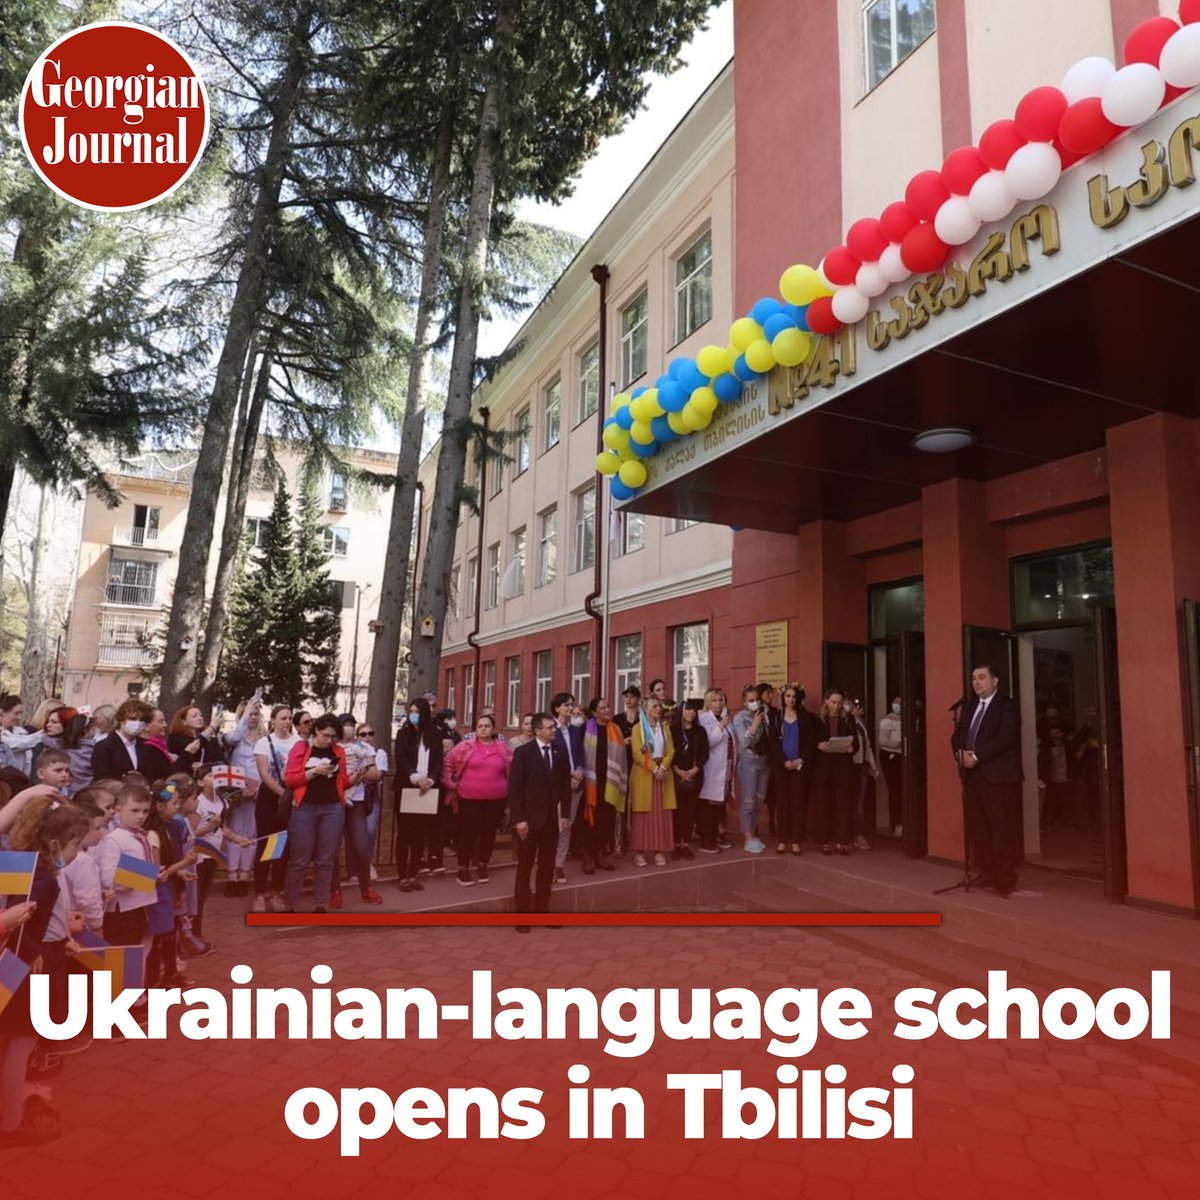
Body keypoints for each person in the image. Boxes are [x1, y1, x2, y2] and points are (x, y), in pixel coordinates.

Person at [0, 794, 89, 1146]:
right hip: (31, 965)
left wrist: (60, 938)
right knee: (22, 1041)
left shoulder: (22, 864)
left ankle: (11, 1105)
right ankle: (11, 1123)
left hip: (22, 960)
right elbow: (22, 921)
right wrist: (35, 951)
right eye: (76, 844)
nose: (78, 851)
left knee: (12, 1040)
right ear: (54, 844)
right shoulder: (44, 878)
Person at [953, 664, 1023, 896]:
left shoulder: (1007, 705)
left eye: (982, 677)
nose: (976, 682)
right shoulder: (970, 706)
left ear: (995, 681)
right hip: (972, 776)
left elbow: (1006, 738)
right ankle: (986, 872)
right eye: (974, 678)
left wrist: (977, 756)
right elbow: (957, 735)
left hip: (998, 776)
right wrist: (959, 753)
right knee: (978, 827)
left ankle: (1005, 879)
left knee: (1000, 827)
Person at [507, 713, 572, 930]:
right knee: (525, 866)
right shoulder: (523, 753)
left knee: (546, 866)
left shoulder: (560, 751)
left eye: (554, 726)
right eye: (550, 727)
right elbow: (515, 789)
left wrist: (565, 815)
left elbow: (565, 786)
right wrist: (519, 819)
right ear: (537, 730)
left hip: (551, 820)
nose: (554, 730)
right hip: (528, 820)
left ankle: (542, 909)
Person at [282, 714, 350, 914]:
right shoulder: (301, 748)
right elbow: (290, 780)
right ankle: (291, 904)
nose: (328, 740)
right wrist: (314, 772)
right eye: (325, 735)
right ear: (316, 731)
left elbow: (342, 781)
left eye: (333, 736)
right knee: (299, 859)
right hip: (305, 807)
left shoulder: (338, 751)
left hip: (332, 808)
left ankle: (320, 903)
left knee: (326, 859)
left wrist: (356, 777)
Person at [443, 713, 513, 886]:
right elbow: (448, 762)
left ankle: (482, 865)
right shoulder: (466, 746)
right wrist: (450, 782)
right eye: (480, 726)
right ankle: (463, 868)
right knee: (468, 833)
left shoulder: (503, 748)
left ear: (493, 729)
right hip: (469, 798)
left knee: (489, 833)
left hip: (497, 799)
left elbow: (513, 768)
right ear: (475, 729)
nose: (483, 729)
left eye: (487, 726)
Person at [95, 782, 158, 945]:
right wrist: (143, 875)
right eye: (135, 810)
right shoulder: (114, 839)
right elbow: (108, 878)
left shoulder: (141, 835)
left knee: (139, 946)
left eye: (145, 811)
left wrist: (154, 874)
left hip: (140, 903)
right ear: (119, 810)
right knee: (123, 949)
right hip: (122, 908)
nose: (141, 816)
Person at [331, 717, 383, 908]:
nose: (349, 729)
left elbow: (374, 775)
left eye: (352, 725)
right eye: (345, 725)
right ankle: (335, 890)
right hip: (335, 802)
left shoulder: (365, 748)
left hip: (357, 802)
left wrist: (360, 771)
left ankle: (366, 888)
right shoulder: (332, 747)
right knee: (333, 848)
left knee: (361, 846)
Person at [394, 699, 444, 894]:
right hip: (407, 788)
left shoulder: (435, 734)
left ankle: (413, 873)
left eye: (417, 711)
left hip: (427, 789)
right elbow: (401, 759)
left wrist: (431, 779)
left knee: (419, 834)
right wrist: (414, 777)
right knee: (405, 833)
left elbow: (438, 761)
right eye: (411, 711)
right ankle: (402, 876)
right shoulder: (403, 733)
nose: (413, 715)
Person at [253, 705, 299, 913]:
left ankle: (276, 890)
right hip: (270, 799)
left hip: (290, 798)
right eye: (282, 718)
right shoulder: (264, 743)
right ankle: (259, 893)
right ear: (272, 720)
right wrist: (283, 795)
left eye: (289, 718)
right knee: (265, 845)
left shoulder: (298, 742)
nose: (287, 722)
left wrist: (290, 797)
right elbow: (264, 774)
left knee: (281, 847)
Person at [768, 684, 814, 856]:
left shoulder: (805, 717)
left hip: (799, 766)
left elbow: (810, 742)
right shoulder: (776, 717)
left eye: (794, 696)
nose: (791, 699)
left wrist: (801, 760)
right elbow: (773, 742)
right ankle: (782, 840)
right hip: (781, 767)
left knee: (797, 803)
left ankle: (796, 841)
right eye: (788, 696)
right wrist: (784, 761)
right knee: (782, 803)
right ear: (783, 697)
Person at [629, 698, 676, 867]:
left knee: (661, 814)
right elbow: (637, 754)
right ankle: (639, 852)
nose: (658, 709)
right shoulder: (638, 729)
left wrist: (663, 767)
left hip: (663, 775)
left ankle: (659, 850)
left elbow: (671, 750)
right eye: (654, 706)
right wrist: (654, 769)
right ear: (646, 709)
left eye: (659, 706)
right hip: (645, 774)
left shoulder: (665, 727)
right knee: (643, 815)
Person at [813, 689, 860, 856]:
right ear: (826, 701)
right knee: (823, 806)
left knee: (843, 806)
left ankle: (841, 842)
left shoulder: (848, 719)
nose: (836, 706)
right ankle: (824, 842)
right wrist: (818, 745)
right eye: (833, 702)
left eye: (839, 703)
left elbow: (856, 743)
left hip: (842, 768)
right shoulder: (817, 720)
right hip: (823, 769)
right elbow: (809, 742)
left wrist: (851, 748)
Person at [90, 698, 173, 781]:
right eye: (133, 719)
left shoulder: (145, 747)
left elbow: (150, 776)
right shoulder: (103, 747)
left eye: (142, 720)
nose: (138, 723)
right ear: (121, 719)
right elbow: (101, 779)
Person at [732, 684, 770, 853]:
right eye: (751, 700)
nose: (755, 702)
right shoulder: (740, 718)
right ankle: (747, 837)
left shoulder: (764, 714)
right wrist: (754, 725)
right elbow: (744, 741)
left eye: (757, 699)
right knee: (749, 801)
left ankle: (753, 834)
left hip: (764, 762)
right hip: (748, 762)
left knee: (759, 801)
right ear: (744, 703)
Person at [551, 691, 584, 885]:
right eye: (566, 705)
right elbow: (551, 759)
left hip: (576, 784)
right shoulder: (550, 730)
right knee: (555, 825)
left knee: (567, 825)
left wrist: (579, 770)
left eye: (572, 704)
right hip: (558, 786)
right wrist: (568, 777)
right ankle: (548, 862)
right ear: (557, 708)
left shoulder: (574, 730)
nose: (570, 708)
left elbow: (580, 753)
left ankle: (559, 864)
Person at [696, 688, 734, 853]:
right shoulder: (704, 719)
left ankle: (716, 835)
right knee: (709, 805)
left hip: (725, 768)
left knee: (719, 805)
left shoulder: (725, 717)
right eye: (714, 700)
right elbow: (709, 742)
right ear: (708, 703)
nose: (718, 704)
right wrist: (721, 726)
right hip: (712, 769)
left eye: (720, 700)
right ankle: (707, 839)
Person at [670, 699, 708, 860]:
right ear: (681, 711)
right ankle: (675, 844)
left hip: (695, 775)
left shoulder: (700, 731)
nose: (691, 713)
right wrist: (678, 771)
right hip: (675, 775)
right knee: (677, 811)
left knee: (690, 811)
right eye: (687, 710)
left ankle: (686, 844)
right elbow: (669, 752)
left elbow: (704, 754)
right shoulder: (673, 730)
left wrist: (694, 771)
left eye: (693, 710)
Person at [848, 698, 879, 851]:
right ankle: (850, 835)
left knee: (859, 803)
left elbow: (867, 745)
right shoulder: (846, 723)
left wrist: (872, 765)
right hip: (850, 767)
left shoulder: (861, 723)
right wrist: (851, 719)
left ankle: (858, 834)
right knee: (849, 802)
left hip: (862, 766)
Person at [167, 704, 226, 769]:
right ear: (184, 721)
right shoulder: (175, 738)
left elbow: (222, 761)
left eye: (201, 715)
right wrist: (211, 728)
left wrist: (206, 766)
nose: (200, 718)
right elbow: (194, 748)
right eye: (194, 716)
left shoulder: (210, 740)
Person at [878, 696, 904, 838]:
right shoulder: (887, 721)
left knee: (903, 790)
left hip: (902, 757)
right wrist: (898, 744)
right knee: (895, 790)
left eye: (900, 703)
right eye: (896, 703)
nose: (898, 705)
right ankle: (896, 823)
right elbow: (882, 740)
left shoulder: (905, 719)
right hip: (891, 756)